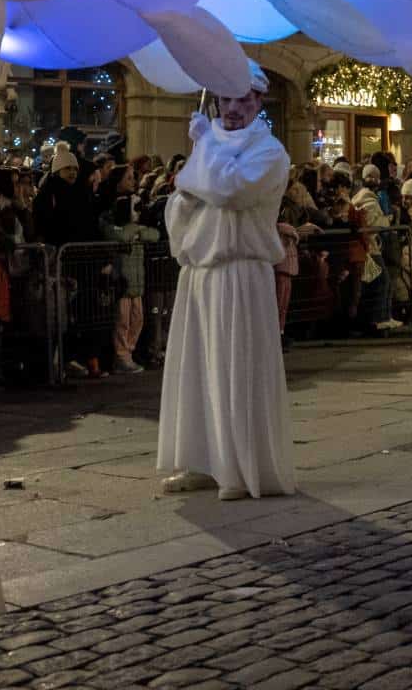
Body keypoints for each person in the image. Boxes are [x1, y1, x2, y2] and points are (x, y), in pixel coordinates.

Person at [156, 64, 297, 500]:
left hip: (240, 272)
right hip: (200, 270)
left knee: (236, 370)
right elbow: (182, 200)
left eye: (242, 99)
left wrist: (204, 152)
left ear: (258, 102)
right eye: (225, 99)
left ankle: (239, 466)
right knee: (197, 372)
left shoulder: (269, 151)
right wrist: (192, 185)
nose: (233, 108)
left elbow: (230, 191)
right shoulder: (210, 145)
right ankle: (203, 461)